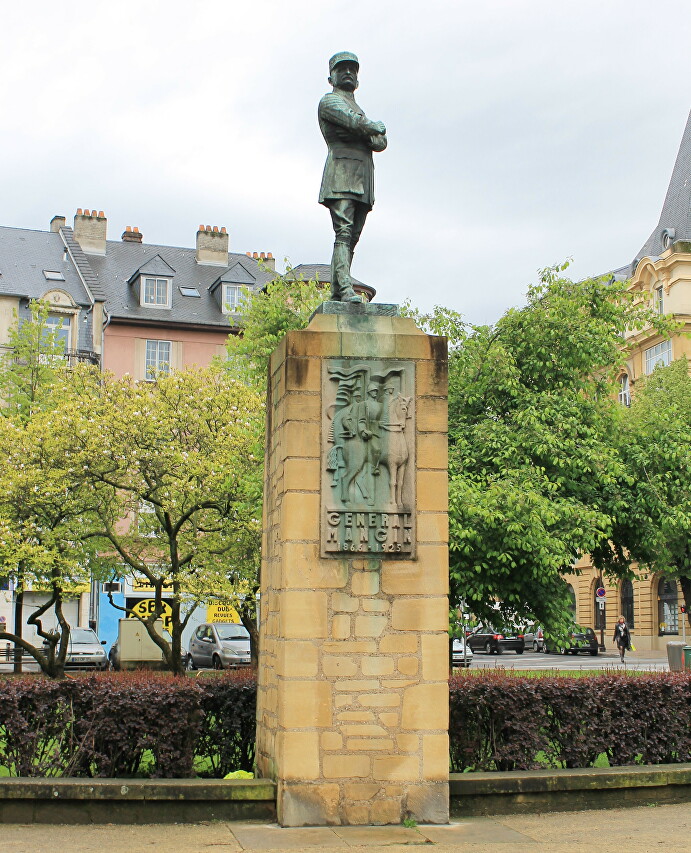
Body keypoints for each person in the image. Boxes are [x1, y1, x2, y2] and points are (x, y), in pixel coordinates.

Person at [318, 51, 387, 302]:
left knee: (353, 237)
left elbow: (380, 141)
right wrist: (366, 127)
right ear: (331, 77)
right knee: (344, 232)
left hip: (363, 177)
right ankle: (345, 290)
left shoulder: (358, 108)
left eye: (353, 70)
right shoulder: (329, 102)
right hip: (341, 174)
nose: (348, 73)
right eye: (342, 69)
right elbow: (360, 125)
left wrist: (363, 128)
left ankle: (338, 289)